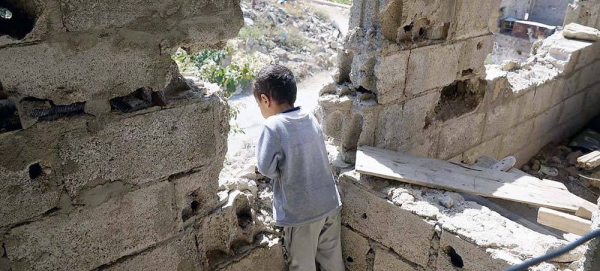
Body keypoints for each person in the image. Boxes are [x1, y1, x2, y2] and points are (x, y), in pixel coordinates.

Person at [253, 64, 344, 271]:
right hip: (329, 203)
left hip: (301, 213)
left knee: (302, 266)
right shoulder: (309, 116)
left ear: (265, 100)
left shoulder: (273, 126)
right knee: (333, 264)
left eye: (260, 104)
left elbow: (265, 167)